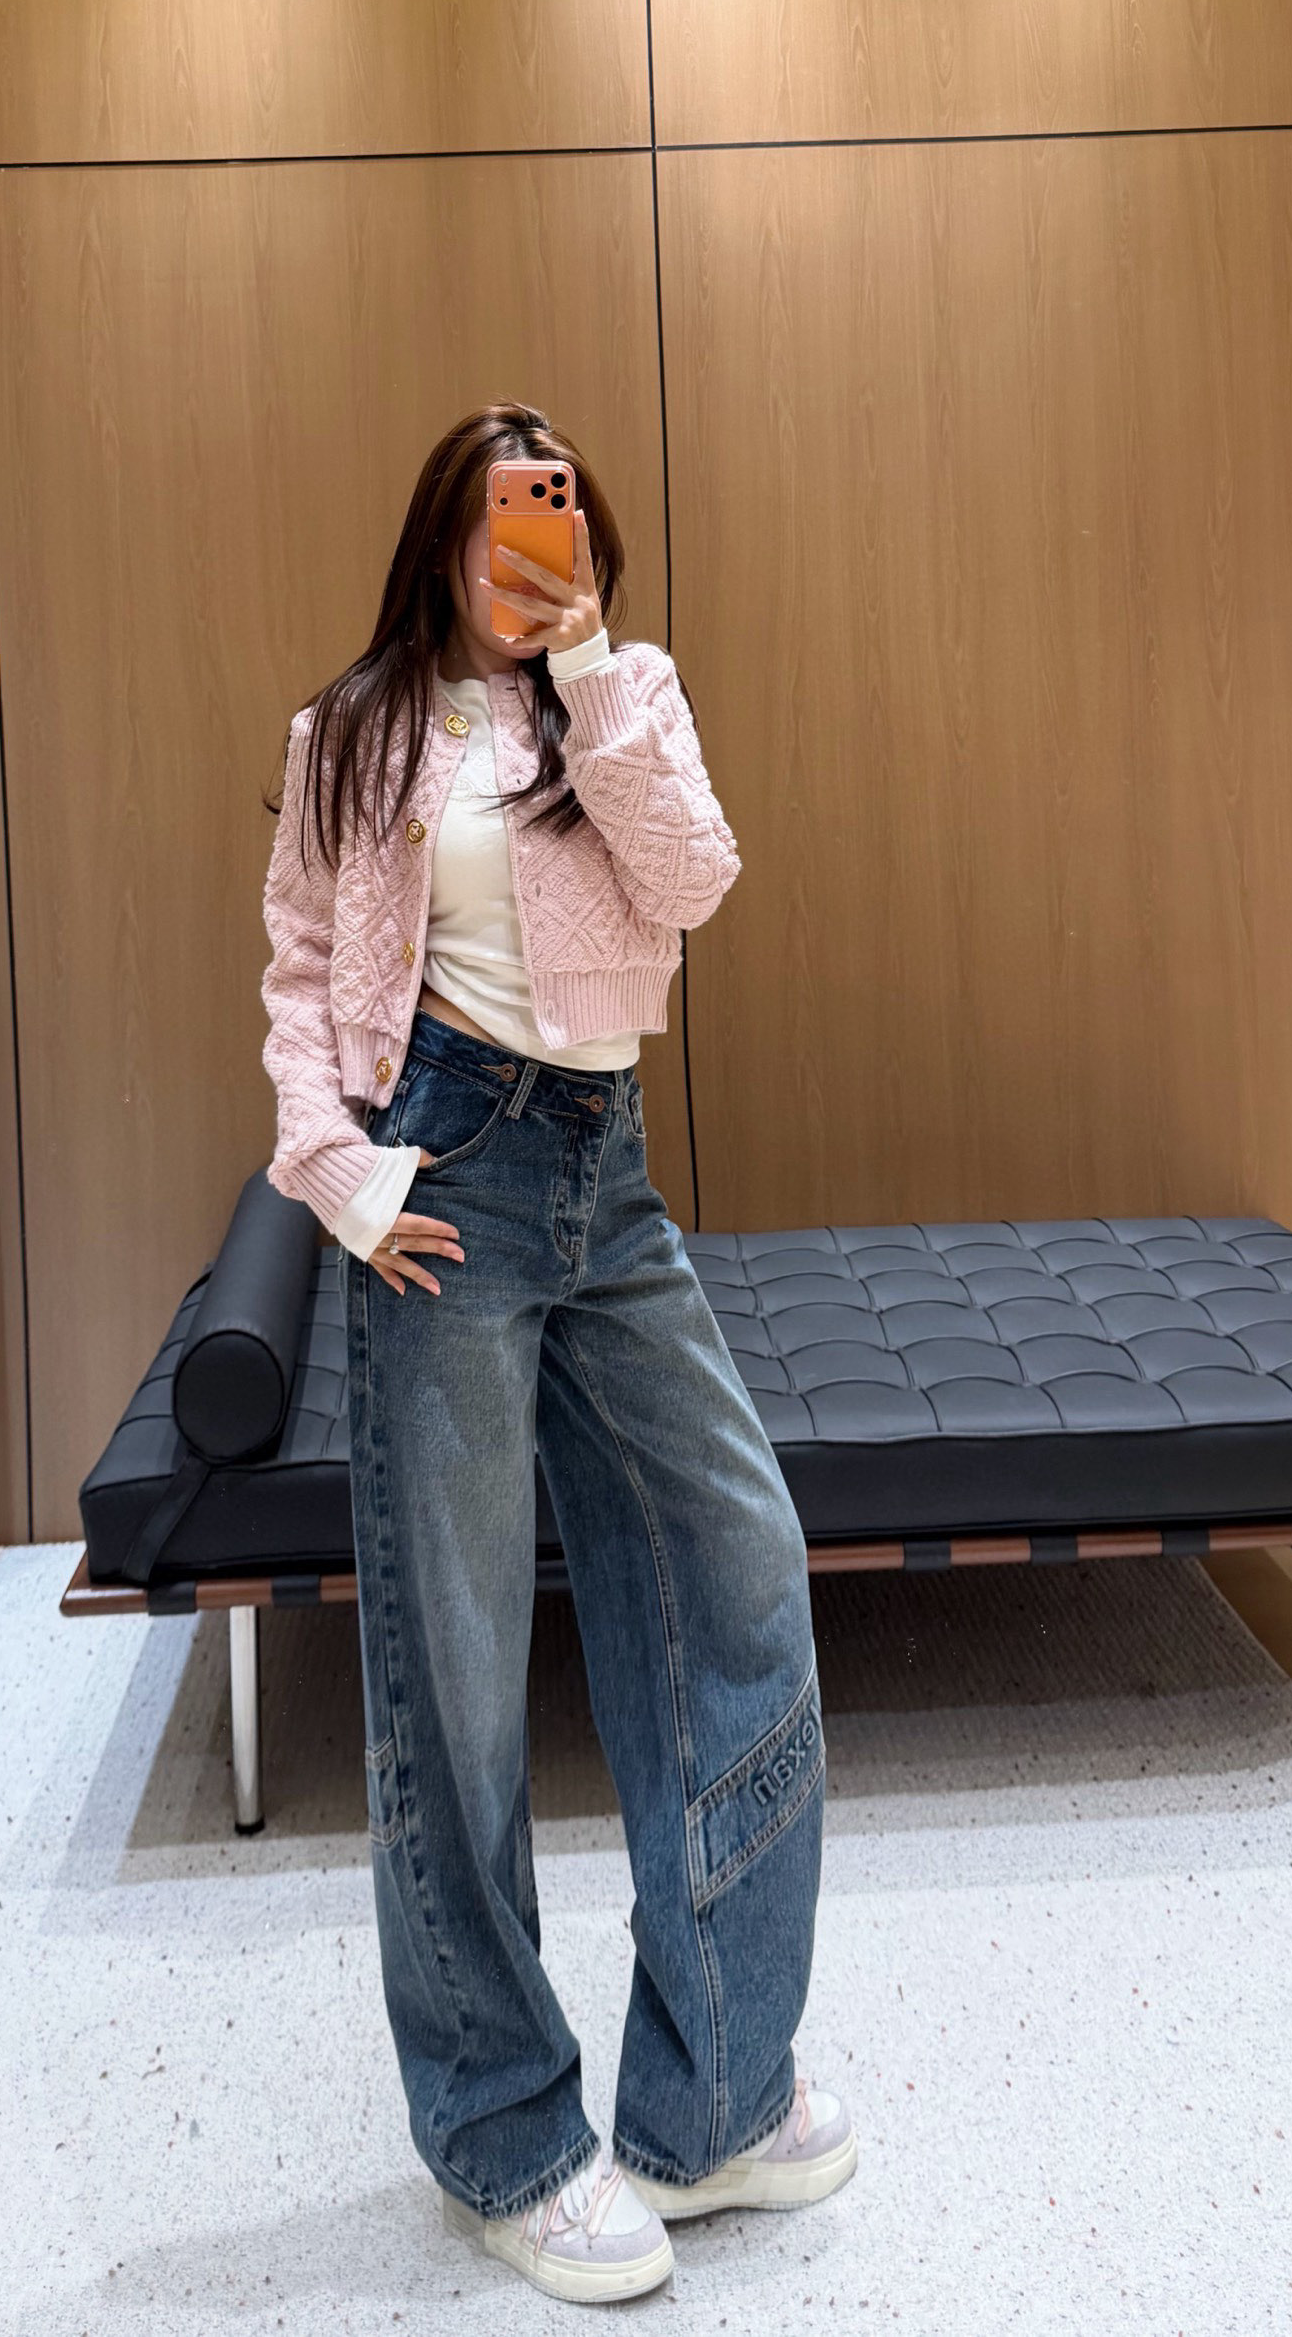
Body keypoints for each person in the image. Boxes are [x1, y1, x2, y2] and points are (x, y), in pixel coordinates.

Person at [260, 401, 856, 2303]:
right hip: (448, 1174)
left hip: (612, 1181)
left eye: (561, 521)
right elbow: (302, 974)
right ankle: (506, 2134)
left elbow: (693, 880)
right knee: (451, 1675)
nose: (532, 551)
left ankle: (712, 2101)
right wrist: (342, 1174)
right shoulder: (353, 734)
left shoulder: (623, 693)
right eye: (505, 523)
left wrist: (589, 660)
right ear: (444, 539)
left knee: (740, 1570)